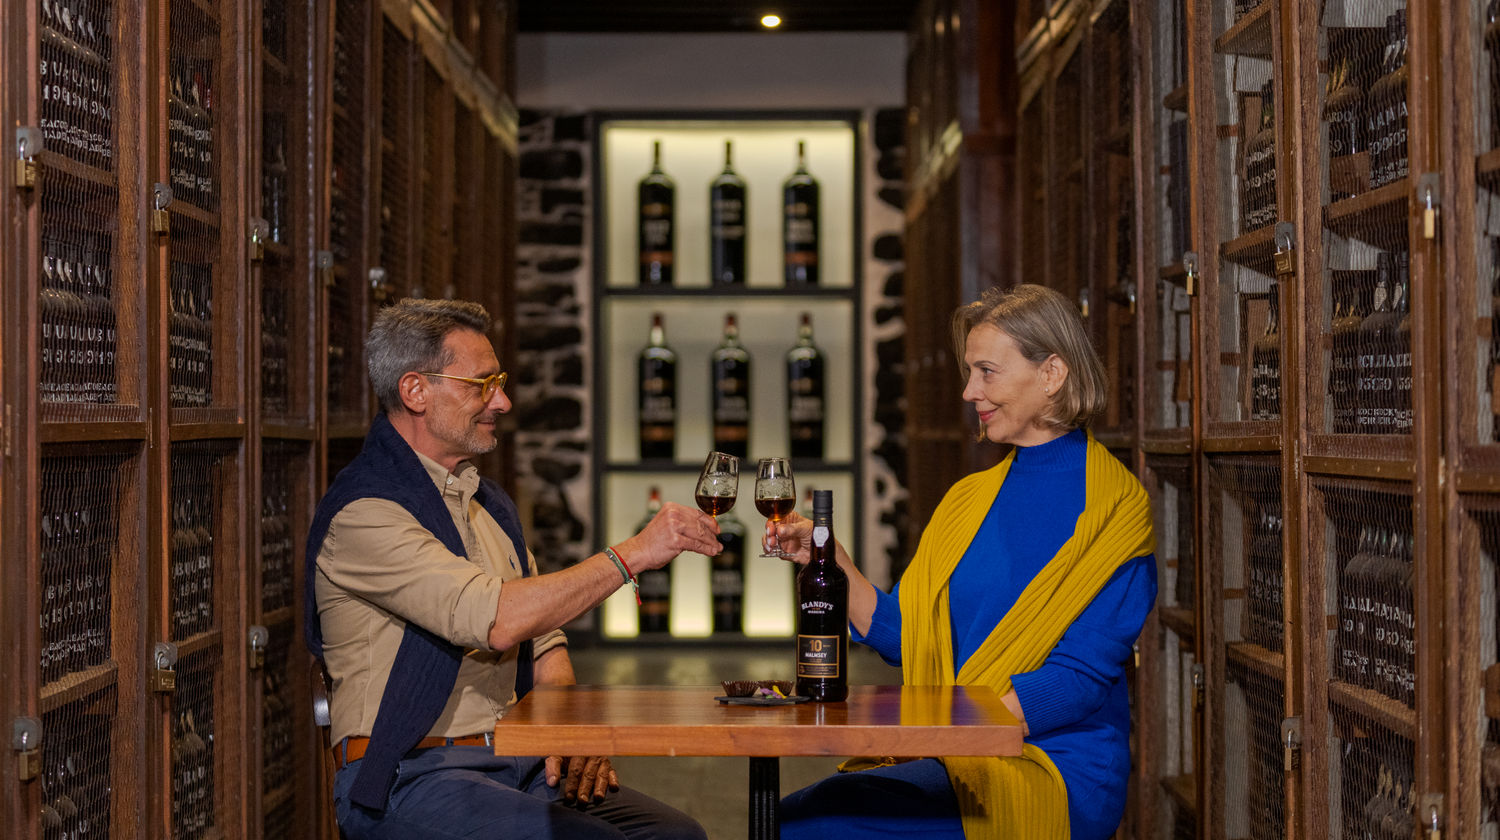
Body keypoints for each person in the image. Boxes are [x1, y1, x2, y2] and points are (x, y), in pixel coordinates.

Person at [305, 298, 720, 840]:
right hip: (409, 777)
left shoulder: (487, 504)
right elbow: (494, 618)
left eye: (497, 382)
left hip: (509, 762)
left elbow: (544, 640)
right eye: (480, 384)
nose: (501, 400)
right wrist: (633, 554)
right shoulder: (365, 513)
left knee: (674, 835)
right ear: (415, 391)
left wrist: (567, 730)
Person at [769, 284, 1157, 840]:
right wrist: (830, 562)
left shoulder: (1116, 508)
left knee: (813, 825)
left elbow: (1077, 680)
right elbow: (911, 636)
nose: (969, 389)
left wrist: (947, 734)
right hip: (960, 747)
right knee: (792, 818)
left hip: (1046, 766)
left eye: (987, 371)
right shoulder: (967, 499)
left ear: (1052, 374)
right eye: (970, 371)